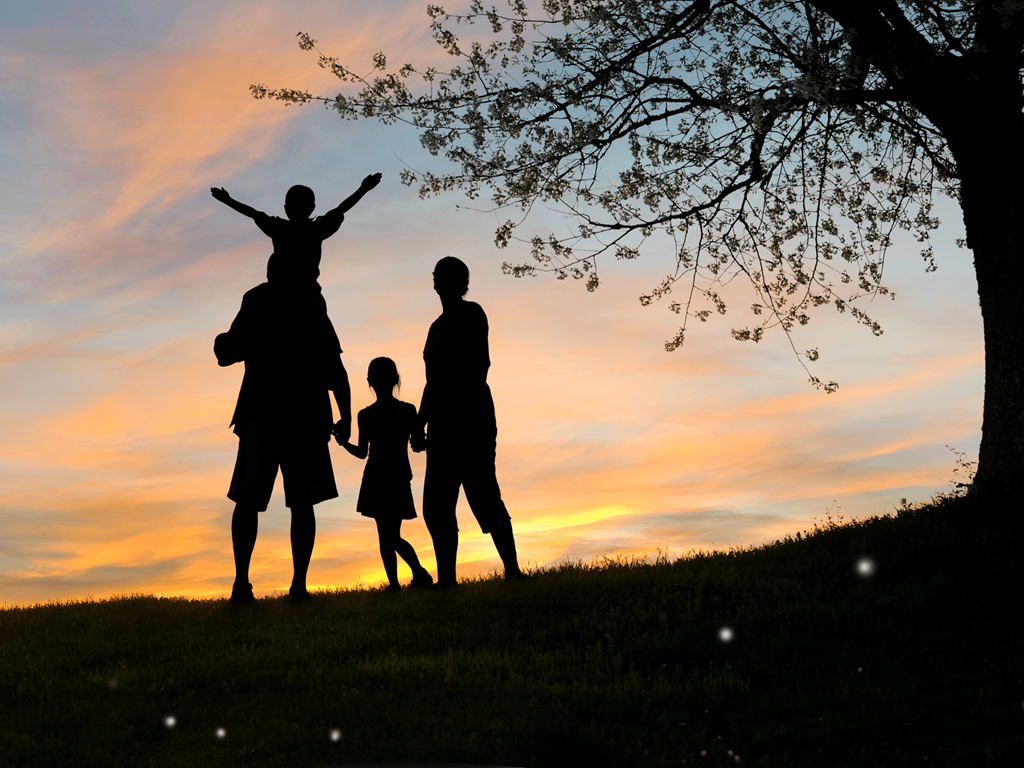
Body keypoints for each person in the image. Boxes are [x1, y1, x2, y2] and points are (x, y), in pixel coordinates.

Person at [215, 280, 352, 604]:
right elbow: (335, 368)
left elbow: (228, 351)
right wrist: (345, 417)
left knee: (268, 500)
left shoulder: (296, 301)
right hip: (280, 415)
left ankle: (271, 585)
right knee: (272, 500)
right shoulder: (288, 300)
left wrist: (346, 416)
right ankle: (267, 585)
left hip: (287, 415)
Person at [412, 256, 526, 587]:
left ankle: (513, 571)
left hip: (471, 418)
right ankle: (447, 580)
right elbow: (431, 382)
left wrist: (456, 407)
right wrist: (420, 423)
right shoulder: (434, 328)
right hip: (442, 425)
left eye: (444, 276)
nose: (438, 282)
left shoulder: (472, 314)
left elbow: (480, 366)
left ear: (461, 283)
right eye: (436, 276)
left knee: (483, 494)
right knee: (436, 505)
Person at [341, 357, 433, 591]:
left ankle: (416, 574)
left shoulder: (405, 411)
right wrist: (344, 444)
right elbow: (363, 452)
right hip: (378, 479)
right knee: (387, 535)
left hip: (395, 478)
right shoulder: (372, 415)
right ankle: (399, 582)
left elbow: (417, 442)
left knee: (389, 535)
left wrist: (344, 444)